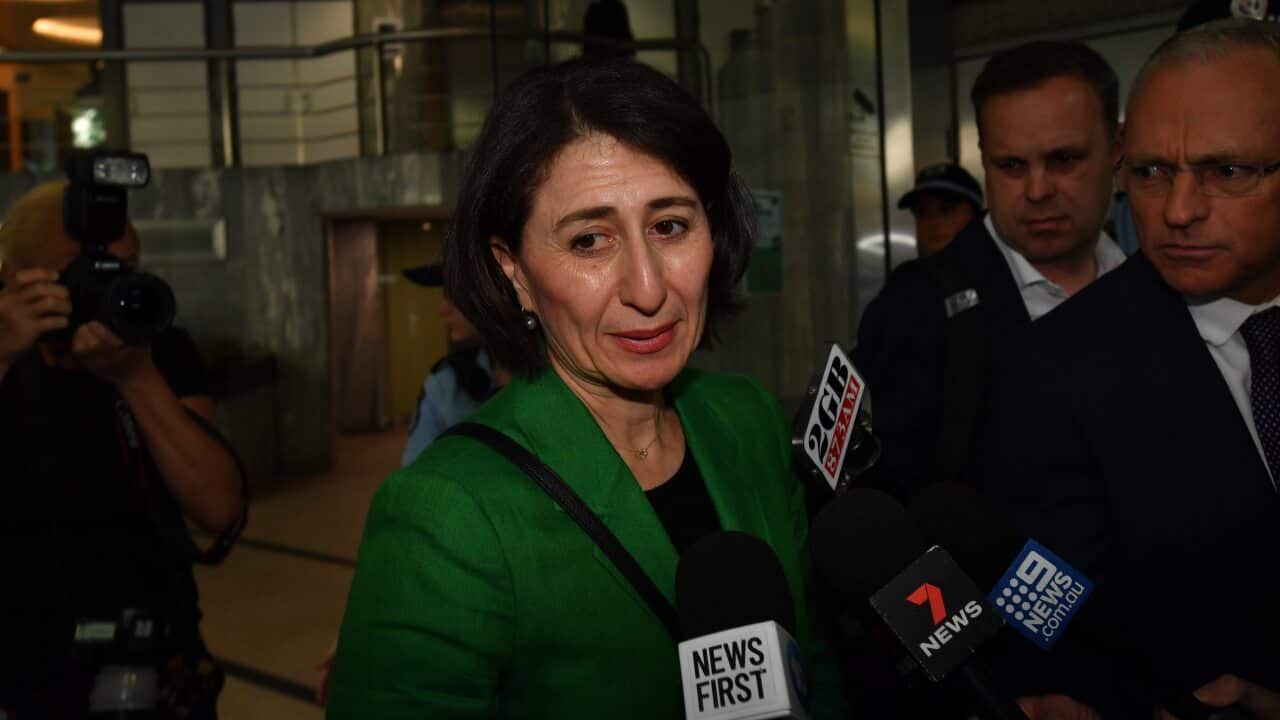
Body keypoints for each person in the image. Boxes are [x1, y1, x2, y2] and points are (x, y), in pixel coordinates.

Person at [326, 59, 847, 718]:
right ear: (512, 270)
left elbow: (816, 660)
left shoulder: (745, 417)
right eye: (590, 240)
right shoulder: (445, 514)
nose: (649, 289)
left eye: (670, 226)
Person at [975, 19, 1280, 717]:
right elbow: (1050, 636)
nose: (1176, 211)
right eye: (1149, 173)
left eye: (1226, 171)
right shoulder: (1055, 369)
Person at [0, 182, 246, 718]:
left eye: (124, 266)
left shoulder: (160, 348)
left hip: (159, 660)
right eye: (85, 270)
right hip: (32, 669)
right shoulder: (11, 362)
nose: (108, 285)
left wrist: (137, 379)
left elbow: (220, 508)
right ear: (19, 280)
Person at [854, 41, 1126, 499]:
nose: (1038, 190)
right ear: (984, 158)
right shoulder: (916, 311)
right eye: (1012, 166)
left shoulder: (1161, 288)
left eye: (1063, 160)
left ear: (1118, 149)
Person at [398, 263, 510, 466]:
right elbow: (416, 475)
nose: (442, 309)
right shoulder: (446, 382)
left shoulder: (561, 376)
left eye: (453, 294)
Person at [897, 162, 984, 257]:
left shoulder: (999, 269)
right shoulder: (907, 271)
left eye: (947, 209)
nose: (933, 222)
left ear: (975, 216)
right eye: (921, 212)